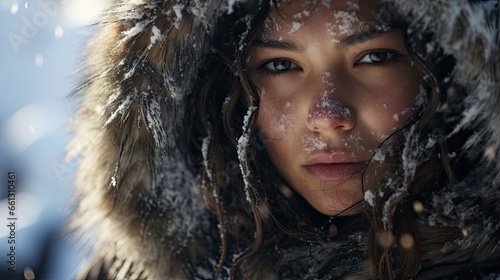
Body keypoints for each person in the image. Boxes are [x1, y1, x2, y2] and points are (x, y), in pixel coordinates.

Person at [68, 0, 499, 279]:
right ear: (226, 91)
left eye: (375, 57)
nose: (328, 118)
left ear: (447, 71)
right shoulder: (140, 270)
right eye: (280, 66)